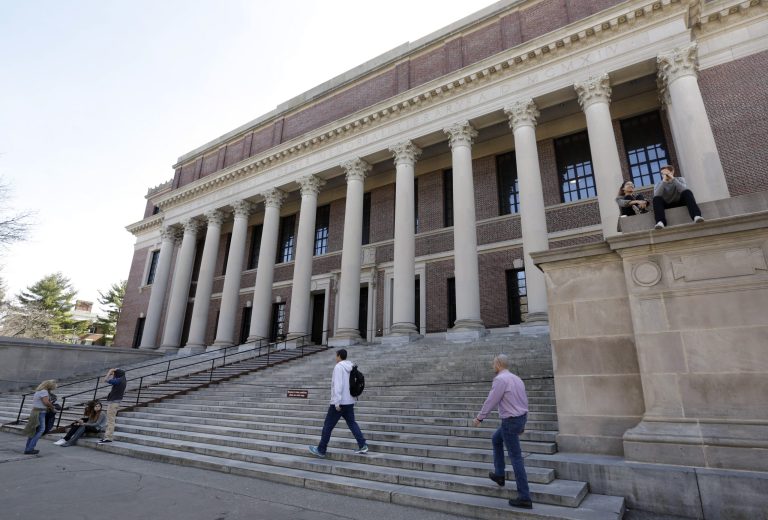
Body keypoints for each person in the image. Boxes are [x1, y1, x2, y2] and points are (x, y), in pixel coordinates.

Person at [473, 354, 532, 510]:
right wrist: (522, 423)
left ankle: (524, 497)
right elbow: (524, 401)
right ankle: (499, 474)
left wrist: (480, 418)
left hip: (510, 421)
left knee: (516, 457)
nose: (492, 366)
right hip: (519, 418)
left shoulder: (500, 380)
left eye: (494, 363)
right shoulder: (517, 379)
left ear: (498, 364)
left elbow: (491, 400)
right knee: (496, 439)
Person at [308, 349, 369, 457]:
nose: (335, 357)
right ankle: (363, 445)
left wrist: (336, 403)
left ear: (339, 356)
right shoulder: (351, 366)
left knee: (327, 426)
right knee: (352, 423)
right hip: (349, 401)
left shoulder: (338, 367)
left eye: (336, 355)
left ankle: (321, 450)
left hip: (339, 403)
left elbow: (338, 386)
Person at [652, 165, 704, 229]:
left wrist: (673, 179)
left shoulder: (680, 179)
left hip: (680, 201)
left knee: (687, 192)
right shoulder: (658, 184)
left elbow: (683, 190)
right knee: (656, 199)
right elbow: (657, 195)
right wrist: (664, 182)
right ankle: (660, 222)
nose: (664, 175)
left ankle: (697, 216)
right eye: (662, 174)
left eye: (666, 173)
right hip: (667, 204)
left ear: (672, 172)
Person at [22, 379, 57, 455]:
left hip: (36, 411)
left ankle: (28, 448)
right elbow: (46, 402)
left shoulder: (39, 391)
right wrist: (52, 407)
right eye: (53, 387)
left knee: (34, 431)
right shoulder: (44, 391)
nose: (53, 388)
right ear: (49, 386)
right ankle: (30, 449)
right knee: (41, 430)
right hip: (40, 412)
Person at [99, 368, 126, 444]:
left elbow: (106, 380)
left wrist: (109, 372)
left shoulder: (119, 380)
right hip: (114, 402)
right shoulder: (122, 379)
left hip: (114, 402)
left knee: (110, 420)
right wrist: (113, 372)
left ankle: (108, 437)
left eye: (114, 373)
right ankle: (107, 437)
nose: (113, 374)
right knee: (110, 420)